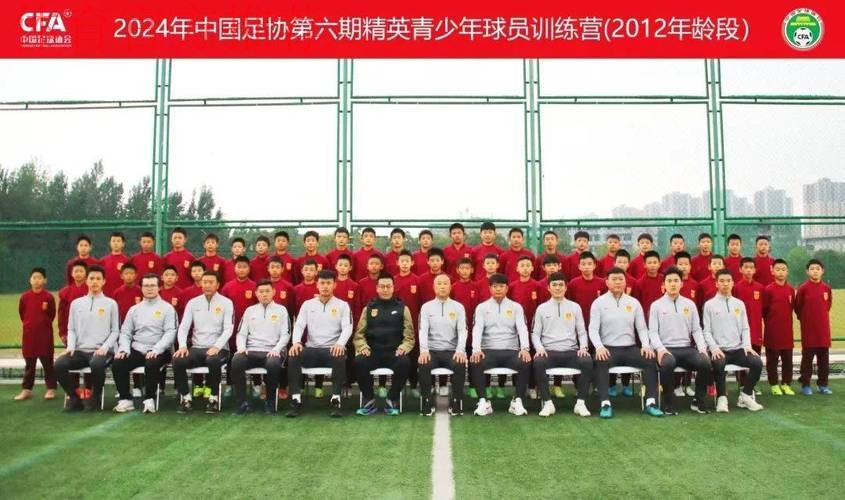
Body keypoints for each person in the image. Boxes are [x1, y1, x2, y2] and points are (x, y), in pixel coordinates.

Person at [590, 267, 664, 419]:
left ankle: (651, 402)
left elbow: (642, 328)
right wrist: (599, 347)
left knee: (649, 358)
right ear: (607, 282)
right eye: (614, 279)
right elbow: (593, 329)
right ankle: (605, 404)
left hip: (630, 348)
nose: (618, 282)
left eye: (620, 279)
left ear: (625, 282)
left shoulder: (634, 303)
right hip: (608, 348)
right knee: (600, 360)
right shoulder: (598, 303)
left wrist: (645, 345)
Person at [286, 270, 352, 418]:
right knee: (294, 355)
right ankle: (296, 399)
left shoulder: (343, 305)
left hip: (332, 349)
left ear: (334, 285)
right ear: (317, 285)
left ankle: (336, 399)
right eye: (322, 283)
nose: (325, 286)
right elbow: (299, 325)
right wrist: (296, 342)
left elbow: (347, 327)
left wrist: (340, 344)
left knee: (339, 355)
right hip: (312, 349)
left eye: (328, 283)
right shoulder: (307, 305)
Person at [55, 265, 120, 411]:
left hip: (101, 351)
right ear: (86, 281)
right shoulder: (76, 304)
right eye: (92, 278)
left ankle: (95, 398)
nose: (95, 282)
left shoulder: (111, 304)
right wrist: (71, 347)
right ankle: (74, 398)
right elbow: (71, 329)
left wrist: (104, 348)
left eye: (98, 279)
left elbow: (115, 331)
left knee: (96, 364)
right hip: (79, 351)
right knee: (59, 364)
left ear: (104, 281)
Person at [648, 267, 712, 415]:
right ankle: (669, 403)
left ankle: (698, 401)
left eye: (676, 281)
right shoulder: (656, 305)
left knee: (705, 362)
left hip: (687, 349)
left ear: (681, 283)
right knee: (667, 363)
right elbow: (652, 332)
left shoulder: (690, 304)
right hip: (666, 349)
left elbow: (696, 329)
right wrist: (660, 349)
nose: (673, 284)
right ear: (664, 284)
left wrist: (702, 348)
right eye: (669, 281)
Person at [111, 273, 176, 414]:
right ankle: (125, 399)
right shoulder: (134, 309)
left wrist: (157, 349)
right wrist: (124, 349)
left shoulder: (167, 308)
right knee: (118, 363)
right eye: (146, 286)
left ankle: (149, 398)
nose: (149, 288)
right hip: (137, 348)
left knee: (152, 363)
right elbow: (125, 332)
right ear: (141, 288)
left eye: (152, 285)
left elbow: (170, 333)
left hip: (159, 350)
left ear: (159, 287)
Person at [468, 273, 531, 417]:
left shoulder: (516, 307)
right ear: (490, 288)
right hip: (488, 350)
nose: (498, 289)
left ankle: (517, 401)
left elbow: (522, 328)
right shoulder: (482, 307)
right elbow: (477, 329)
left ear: (507, 288)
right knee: (475, 361)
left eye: (501, 286)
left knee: (525, 361)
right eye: (495, 286)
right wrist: (476, 349)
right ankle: (483, 401)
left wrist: (524, 349)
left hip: (511, 350)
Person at [702, 269, 764, 412]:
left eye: (728, 281)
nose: (725, 284)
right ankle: (721, 398)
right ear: (716, 284)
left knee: (757, 362)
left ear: (732, 283)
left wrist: (747, 345)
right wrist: (714, 348)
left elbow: (745, 328)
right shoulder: (709, 305)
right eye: (722, 281)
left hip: (737, 349)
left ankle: (746, 396)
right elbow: (706, 331)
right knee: (718, 363)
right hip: (719, 350)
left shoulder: (739, 304)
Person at [531, 272, 592, 418]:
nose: (557, 288)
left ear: (565, 288)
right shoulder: (541, 308)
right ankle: (548, 403)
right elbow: (535, 334)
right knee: (538, 362)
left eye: (560, 285)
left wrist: (583, 348)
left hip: (571, 351)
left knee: (587, 361)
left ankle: (581, 403)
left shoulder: (575, 307)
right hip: (549, 351)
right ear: (548, 288)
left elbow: (582, 332)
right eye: (554, 285)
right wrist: (540, 348)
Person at [173, 271, 234, 413]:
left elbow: (228, 329)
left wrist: (217, 346)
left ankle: (213, 398)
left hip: (219, 349)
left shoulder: (226, 303)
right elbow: (183, 327)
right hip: (197, 347)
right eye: (204, 282)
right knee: (178, 360)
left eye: (211, 282)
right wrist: (182, 346)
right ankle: (186, 398)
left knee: (213, 360)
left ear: (218, 285)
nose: (207, 285)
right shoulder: (193, 303)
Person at [231, 280, 290, 415]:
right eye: (261, 292)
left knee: (273, 364)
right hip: (251, 350)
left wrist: (276, 349)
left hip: (272, 351)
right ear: (256, 293)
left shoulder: (281, 310)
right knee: (236, 361)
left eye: (267, 291)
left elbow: (286, 334)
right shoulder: (250, 311)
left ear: (273, 292)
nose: (264, 294)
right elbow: (241, 333)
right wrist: (241, 348)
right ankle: (241, 403)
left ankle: (270, 402)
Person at [418, 274, 468, 416]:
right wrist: (424, 350)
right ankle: (427, 400)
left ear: (450, 287)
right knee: (424, 363)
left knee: (459, 363)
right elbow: (422, 330)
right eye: (439, 284)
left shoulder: (458, 307)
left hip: (451, 351)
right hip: (432, 350)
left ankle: (456, 400)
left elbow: (462, 330)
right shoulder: (426, 307)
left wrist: (460, 350)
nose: (442, 286)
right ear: (434, 287)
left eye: (445, 283)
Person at [15, 267, 57, 401]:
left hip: (45, 336)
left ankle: (51, 388)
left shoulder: (48, 297)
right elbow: (22, 314)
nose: (37, 280)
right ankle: (27, 389)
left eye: (39, 278)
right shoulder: (24, 297)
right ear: (30, 280)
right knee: (29, 364)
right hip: (29, 337)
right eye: (34, 278)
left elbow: (51, 315)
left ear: (45, 280)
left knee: (48, 363)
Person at [795, 259, 834, 395]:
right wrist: (806, 320)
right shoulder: (803, 288)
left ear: (822, 271)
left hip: (823, 330)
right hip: (808, 330)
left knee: (824, 360)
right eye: (812, 269)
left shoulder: (827, 288)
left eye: (818, 269)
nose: (815, 271)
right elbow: (798, 307)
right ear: (807, 271)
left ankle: (823, 385)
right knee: (807, 359)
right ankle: (805, 384)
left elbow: (828, 306)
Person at [762, 259, 796, 396]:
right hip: (772, 333)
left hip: (787, 333)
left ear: (787, 272)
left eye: (783, 269)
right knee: (772, 361)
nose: (780, 272)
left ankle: (786, 384)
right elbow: (764, 311)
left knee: (788, 361)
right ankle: (774, 385)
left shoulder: (790, 290)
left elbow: (791, 308)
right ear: (772, 271)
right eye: (778, 269)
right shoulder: (768, 290)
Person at [100, 231, 130, 297]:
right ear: (110, 243)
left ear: (123, 244)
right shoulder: (103, 261)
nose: (116, 243)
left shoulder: (127, 261)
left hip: (122, 294)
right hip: (106, 295)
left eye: (118, 241)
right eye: (113, 241)